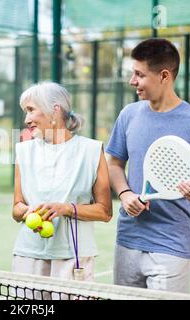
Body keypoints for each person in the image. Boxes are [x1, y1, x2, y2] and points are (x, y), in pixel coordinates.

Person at [106, 38, 190, 293]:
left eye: (139, 74)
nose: (132, 81)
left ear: (164, 76)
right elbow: (114, 164)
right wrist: (125, 194)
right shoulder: (128, 115)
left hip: (173, 245)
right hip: (127, 240)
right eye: (132, 73)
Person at [11, 82, 112, 294]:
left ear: (55, 110)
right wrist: (26, 210)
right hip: (28, 255)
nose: (26, 119)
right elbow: (16, 207)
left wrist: (67, 208)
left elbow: (105, 211)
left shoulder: (92, 150)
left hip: (74, 258)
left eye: (31, 110)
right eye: (25, 111)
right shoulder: (23, 151)